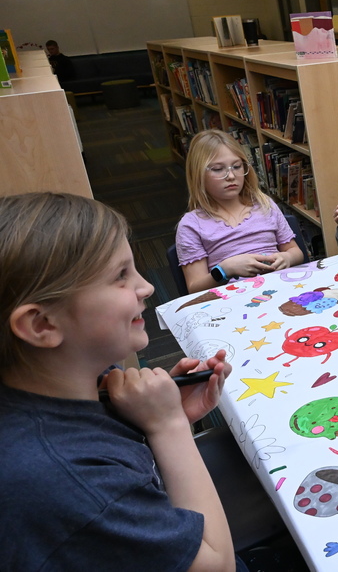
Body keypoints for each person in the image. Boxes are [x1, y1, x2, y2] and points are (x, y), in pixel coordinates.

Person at [0, 192, 238, 571]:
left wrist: (153, 417)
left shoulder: (68, 388)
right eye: (121, 276)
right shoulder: (69, 482)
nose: (147, 287)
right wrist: (168, 426)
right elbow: (218, 566)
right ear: (42, 325)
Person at [175, 129, 304, 294]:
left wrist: (287, 257)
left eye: (236, 166)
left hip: (281, 288)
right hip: (233, 300)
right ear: (198, 174)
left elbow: (296, 252)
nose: (231, 176)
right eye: (218, 169)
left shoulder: (264, 204)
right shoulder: (191, 225)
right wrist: (225, 269)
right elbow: (194, 288)